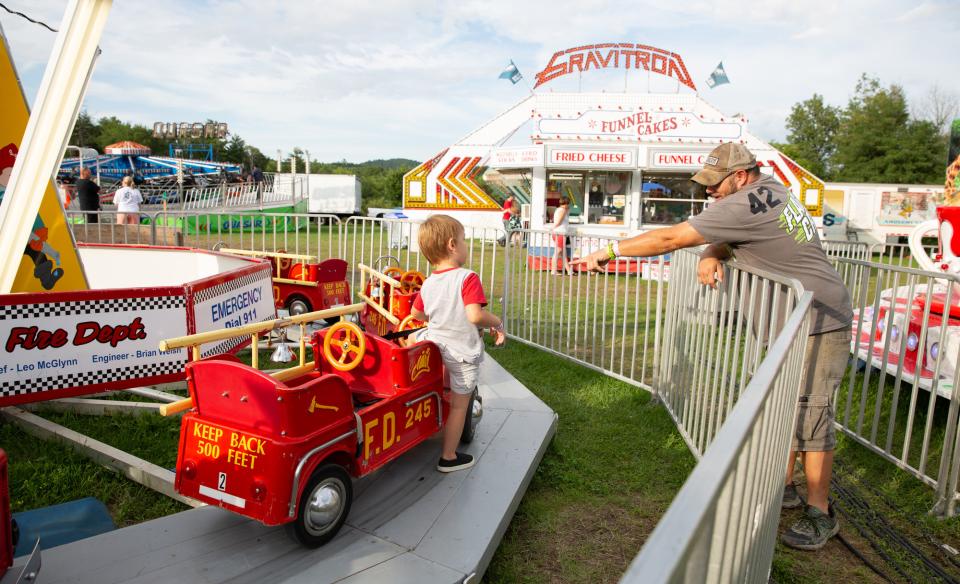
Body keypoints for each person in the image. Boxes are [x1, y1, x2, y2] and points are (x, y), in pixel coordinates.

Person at [573, 143, 853, 551]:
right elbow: (741, 235)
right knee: (788, 407)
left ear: (740, 177)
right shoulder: (771, 186)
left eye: (714, 184)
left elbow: (670, 237)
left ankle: (820, 511)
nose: (709, 192)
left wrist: (609, 250)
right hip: (799, 320)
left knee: (810, 415)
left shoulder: (739, 204)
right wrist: (710, 251)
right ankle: (788, 488)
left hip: (818, 321)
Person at [409, 215, 506, 472]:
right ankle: (449, 457)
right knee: (460, 405)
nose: (466, 245)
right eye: (464, 240)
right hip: (461, 351)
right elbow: (475, 316)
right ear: (453, 244)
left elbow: (417, 315)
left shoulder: (428, 282)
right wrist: (496, 321)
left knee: (436, 373)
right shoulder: (467, 277)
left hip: (437, 346)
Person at [551, 196, 573, 275]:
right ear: (566, 203)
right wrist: (554, 227)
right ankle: (553, 270)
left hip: (557, 233)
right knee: (558, 252)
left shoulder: (559, 209)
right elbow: (559, 222)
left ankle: (569, 271)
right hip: (560, 233)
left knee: (563, 254)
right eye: (568, 203)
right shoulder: (563, 210)